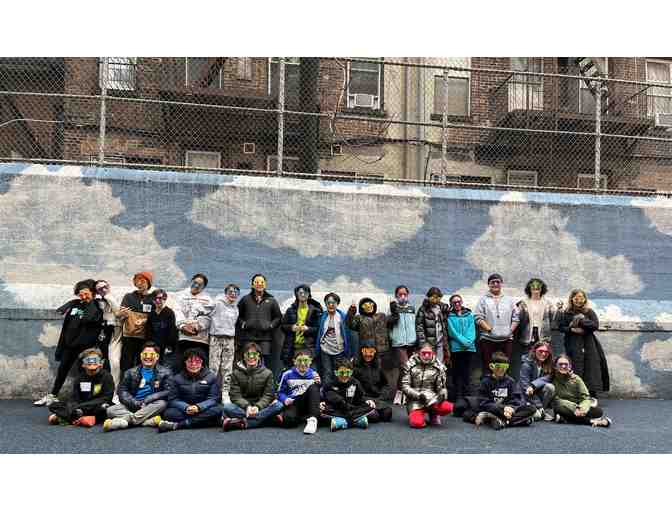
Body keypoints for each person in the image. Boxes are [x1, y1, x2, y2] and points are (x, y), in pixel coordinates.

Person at [34, 279, 103, 407]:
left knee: (84, 373)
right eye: (80, 294)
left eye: (86, 294)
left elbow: (89, 317)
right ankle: (53, 395)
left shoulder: (97, 306)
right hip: (69, 345)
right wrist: (72, 303)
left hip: (85, 348)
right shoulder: (76, 305)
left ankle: (85, 399)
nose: (83, 297)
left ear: (93, 293)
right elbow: (66, 323)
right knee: (62, 370)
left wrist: (88, 301)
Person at [103, 342, 172, 431]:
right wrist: (135, 403)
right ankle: (145, 421)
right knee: (110, 410)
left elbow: (169, 391)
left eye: (151, 354)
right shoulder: (130, 372)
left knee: (162, 404)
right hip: (134, 404)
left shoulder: (166, 372)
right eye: (145, 354)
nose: (148, 357)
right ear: (140, 355)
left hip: (151, 405)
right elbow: (122, 391)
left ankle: (125, 420)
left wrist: (150, 398)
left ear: (157, 356)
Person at [221, 342, 284, 431]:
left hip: (261, 407)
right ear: (243, 356)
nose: (251, 357)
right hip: (243, 407)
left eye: (254, 354)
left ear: (259, 356)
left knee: (278, 405)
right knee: (227, 408)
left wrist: (258, 407)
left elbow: (268, 395)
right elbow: (235, 396)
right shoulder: (235, 373)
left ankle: (241, 423)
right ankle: (268, 420)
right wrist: (247, 407)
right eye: (248, 354)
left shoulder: (268, 373)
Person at [558, 289, 609, 398]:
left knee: (590, 366)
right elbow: (561, 327)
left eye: (581, 297)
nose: (579, 300)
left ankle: (591, 393)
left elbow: (595, 325)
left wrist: (581, 319)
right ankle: (575, 392)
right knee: (575, 366)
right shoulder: (567, 312)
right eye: (576, 298)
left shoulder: (589, 312)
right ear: (572, 299)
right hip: (572, 343)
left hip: (588, 343)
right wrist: (571, 329)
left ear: (585, 299)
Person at [157, 347, 223, 432]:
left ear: (203, 363)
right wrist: (186, 407)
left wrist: (199, 407)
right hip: (185, 410)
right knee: (168, 414)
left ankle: (179, 425)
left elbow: (213, 399)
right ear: (185, 363)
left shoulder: (211, 376)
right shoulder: (176, 378)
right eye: (190, 361)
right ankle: (205, 421)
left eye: (197, 361)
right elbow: (173, 399)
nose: (194, 364)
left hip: (203, 408)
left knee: (219, 409)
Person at [47, 347, 114, 426]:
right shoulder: (80, 378)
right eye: (89, 361)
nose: (92, 364)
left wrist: (81, 406)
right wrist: (74, 406)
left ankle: (68, 416)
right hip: (80, 406)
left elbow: (107, 398)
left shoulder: (107, 377)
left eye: (95, 360)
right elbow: (74, 397)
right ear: (83, 364)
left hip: (97, 406)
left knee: (106, 408)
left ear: (101, 363)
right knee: (53, 405)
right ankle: (78, 415)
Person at [473, 351, 536, 430]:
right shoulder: (485, 381)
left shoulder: (510, 381)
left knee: (531, 408)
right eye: (498, 366)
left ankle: (501, 421)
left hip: (508, 411)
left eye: (504, 366)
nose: (501, 369)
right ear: (491, 366)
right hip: (494, 409)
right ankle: (518, 421)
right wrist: (502, 408)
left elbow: (516, 399)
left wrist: (511, 408)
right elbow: (483, 402)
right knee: (473, 412)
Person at [237, 274, 283, 379]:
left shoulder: (271, 300)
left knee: (263, 363)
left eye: (262, 282)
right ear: (252, 284)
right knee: (248, 360)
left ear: (265, 284)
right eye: (257, 282)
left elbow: (278, 317)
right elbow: (237, 315)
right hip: (248, 337)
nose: (259, 284)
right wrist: (243, 324)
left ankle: (262, 383)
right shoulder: (245, 299)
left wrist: (271, 325)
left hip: (265, 338)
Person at [347, 297, 395, 397]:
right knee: (366, 372)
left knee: (380, 373)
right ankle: (367, 393)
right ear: (362, 307)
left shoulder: (381, 316)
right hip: (367, 351)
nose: (368, 307)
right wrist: (352, 309)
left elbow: (394, 318)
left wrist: (393, 306)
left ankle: (382, 394)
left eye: (370, 304)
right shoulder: (359, 318)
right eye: (365, 305)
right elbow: (350, 324)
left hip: (381, 350)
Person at [320, 359, 386, 431]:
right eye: (341, 373)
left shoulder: (355, 382)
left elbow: (360, 397)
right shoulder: (330, 384)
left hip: (351, 408)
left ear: (351, 372)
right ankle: (356, 421)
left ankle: (342, 422)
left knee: (374, 415)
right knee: (321, 413)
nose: (344, 375)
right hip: (337, 409)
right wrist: (321, 402)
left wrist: (367, 400)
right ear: (336, 373)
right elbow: (324, 396)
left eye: (347, 372)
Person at [512, 278, 558, 380]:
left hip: (543, 335)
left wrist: (559, 309)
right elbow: (518, 318)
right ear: (529, 288)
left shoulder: (548, 303)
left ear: (542, 289)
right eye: (533, 287)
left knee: (543, 360)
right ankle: (525, 383)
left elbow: (553, 317)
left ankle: (540, 383)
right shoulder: (523, 303)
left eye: (538, 287)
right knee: (527, 360)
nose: (536, 289)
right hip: (527, 335)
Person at [474, 273, 520, 375]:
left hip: (506, 340)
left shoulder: (509, 300)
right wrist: (489, 330)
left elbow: (516, 318)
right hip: (488, 340)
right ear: (488, 284)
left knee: (505, 368)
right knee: (488, 368)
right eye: (492, 282)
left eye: (498, 282)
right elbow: (478, 317)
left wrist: (509, 331)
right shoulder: (483, 300)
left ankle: (503, 385)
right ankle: (488, 385)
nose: (495, 284)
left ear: (501, 284)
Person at [549, 354, 611, 427]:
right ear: (555, 366)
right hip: (563, 407)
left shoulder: (576, 379)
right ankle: (593, 421)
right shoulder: (552, 379)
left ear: (570, 366)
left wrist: (582, 409)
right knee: (558, 405)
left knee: (598, 411)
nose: (563, 366)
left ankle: (565, 419)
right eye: (560, 364)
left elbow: (586, 397)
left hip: (579, 407)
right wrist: (574, 408)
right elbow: (556, 400)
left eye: (566, 364)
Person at [400, 342, 453, 428]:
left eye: (429, 353)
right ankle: (418, 415)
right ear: (418, 353)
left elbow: (441, 387)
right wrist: (418, 395)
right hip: (415, 400)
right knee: (417, 423)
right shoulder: (410, 365)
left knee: (447, 407)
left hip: (432, 399)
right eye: (424, 353)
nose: (427, 356)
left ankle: (433, 413)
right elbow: (405, 386)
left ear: (433, 354)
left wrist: (442, 394)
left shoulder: (438, 367)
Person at [174, 273, 215, 370]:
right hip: (183, 338)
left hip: (200, 340)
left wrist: (198, 326)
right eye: (195, 282)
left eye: (200, 284)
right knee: (180, 367)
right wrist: (182, 326)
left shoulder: (208, 300)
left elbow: (209, 317)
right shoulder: (180, 296)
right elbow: (176, 311)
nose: (196, 285)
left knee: (199, 368)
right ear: (191, 281)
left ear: (204, 287)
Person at [277, 350, 322, 434]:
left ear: (310, 361)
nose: (303, 364)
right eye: (299, 360)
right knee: (288, 420)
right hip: (294, 403)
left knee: (314, 387)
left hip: (309, 404)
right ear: (294, 361)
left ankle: (312, 419)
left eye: (306, 360)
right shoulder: (287, 374)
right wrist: (285, 399)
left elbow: (317, 394)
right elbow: (280, 393)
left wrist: (319, 384)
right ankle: (305, 418)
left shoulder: (314, 374)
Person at [118, 271, 155, 374]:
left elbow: (155, 316)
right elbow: (121, 315)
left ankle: (142, 382)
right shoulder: (128, 297)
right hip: (128, 336)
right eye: (137, 281)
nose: (139, 283)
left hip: (145, 337)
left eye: (142, 281)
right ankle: (125, 382)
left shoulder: (153, 298)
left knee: (143, 363)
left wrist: (145, 319)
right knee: (126, 363)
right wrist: (121, 314)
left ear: (148, 283)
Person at [210, 284, 240, 404]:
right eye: (230, 291)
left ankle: (225, 392)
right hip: (216, 338)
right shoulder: (217, 303)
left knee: (227, 368)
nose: (233, 294)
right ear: (226, 293)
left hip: (230, 339)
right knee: (213, 367)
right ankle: (212, 392)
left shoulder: (236, 308)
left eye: (236, 292)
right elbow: (206, 311)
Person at [387, 285, 417, 404]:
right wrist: (392, 337)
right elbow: (388, 324)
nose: (403, 296)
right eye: (400, 294)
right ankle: (400, 392)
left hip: (411, 342)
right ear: (396, 295)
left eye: (405, 294)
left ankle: (405, 392)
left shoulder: (412, 308)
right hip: (399, 343)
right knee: (405, 367)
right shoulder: (392, 308)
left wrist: (416, 339)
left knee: (408, 369)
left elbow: (415, 324)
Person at [281, 284, 323, 367]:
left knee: (309, 370)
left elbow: (318, 329)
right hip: (292, 347)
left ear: (309, 294)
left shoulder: (315, 310)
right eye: (300, 293)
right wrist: (291, 328)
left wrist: (308, 329)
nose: (303, 295)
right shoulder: (290, 310)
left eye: (305, 293)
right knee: (292, 371)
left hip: (308, 347)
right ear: (296, 295)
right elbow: (283, 326)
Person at [446, 293, 477, 402]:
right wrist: (463, 341)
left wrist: (468, 341)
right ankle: (456, 396)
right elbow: (452, 332)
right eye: (454, 302)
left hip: (469, 348)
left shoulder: (469, 315)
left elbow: (472, 330)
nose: (457, 304)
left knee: (467, 373)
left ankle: (466, 396)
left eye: (459, 301)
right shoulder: (449, 316)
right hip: (456, 348)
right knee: (456, 372)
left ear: (462, 302)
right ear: (451, 304)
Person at [315, 292, 350, 385]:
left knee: (337, 372)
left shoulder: (342, 316)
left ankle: (337, 390)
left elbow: (347, 333)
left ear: (337, 304)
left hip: (338, 349)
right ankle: (326, 390)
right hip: (325, 349)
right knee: (327, 371)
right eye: (328, 303)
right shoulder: (322, 316)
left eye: (333, 303)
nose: (331, 305)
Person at [351, 345, 394, 421]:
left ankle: (373, 410)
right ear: (361, 352)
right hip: (363, 399)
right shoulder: (355, 367)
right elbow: (354, 388)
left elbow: (385, 384)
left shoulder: (378, 366)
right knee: (374, 416)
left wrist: (382, 396)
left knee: (387, 414)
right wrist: (364, 399)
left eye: (371, 352)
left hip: (377, 398)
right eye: (365, 352)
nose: (368, 355)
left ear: (375, 353)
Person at [95, 279, 123, 385]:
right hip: (103, 333)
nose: (103, 290)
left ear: (109, 286)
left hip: (116, 332)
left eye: (105, 287)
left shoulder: (115, 297)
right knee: (103, 361)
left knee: (114, 362)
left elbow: (118, 313)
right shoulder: (98, 302)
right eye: (100, 289)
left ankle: (114, 389)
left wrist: (108, 297)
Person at [519, 341, 556, 421]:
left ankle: (542, 410)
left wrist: (533, 385)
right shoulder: (526, 365)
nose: (543, 354)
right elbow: (525, 388)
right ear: (534, 351)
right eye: (540, 351)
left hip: (539, 395)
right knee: (537, 416)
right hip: (527, 396)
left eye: (546, 352)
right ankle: (539, 410)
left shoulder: (549, 365)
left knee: (550, 387)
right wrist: (538, 404)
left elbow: (548, 378)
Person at [415, 287, 450, 365]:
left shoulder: (442, 308)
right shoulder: (423, 309)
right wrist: (423, 344)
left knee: (440, 363)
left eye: (437, 297)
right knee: (429, 364)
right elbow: (419, 327)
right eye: (433, 297)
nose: (435, 300)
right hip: (428, 343)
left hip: (441, 340)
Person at [145, 289, 178, 368]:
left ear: (164, 299)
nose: (157, 300)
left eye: (160, 298)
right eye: (155, 298)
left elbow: (172, 330)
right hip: (154, 346)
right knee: (153, 367)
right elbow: (148, 331)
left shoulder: (169, 312)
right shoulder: (151, 314)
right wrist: (149, 345)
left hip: (166, 347)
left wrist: (169, 346)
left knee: (165, 368)